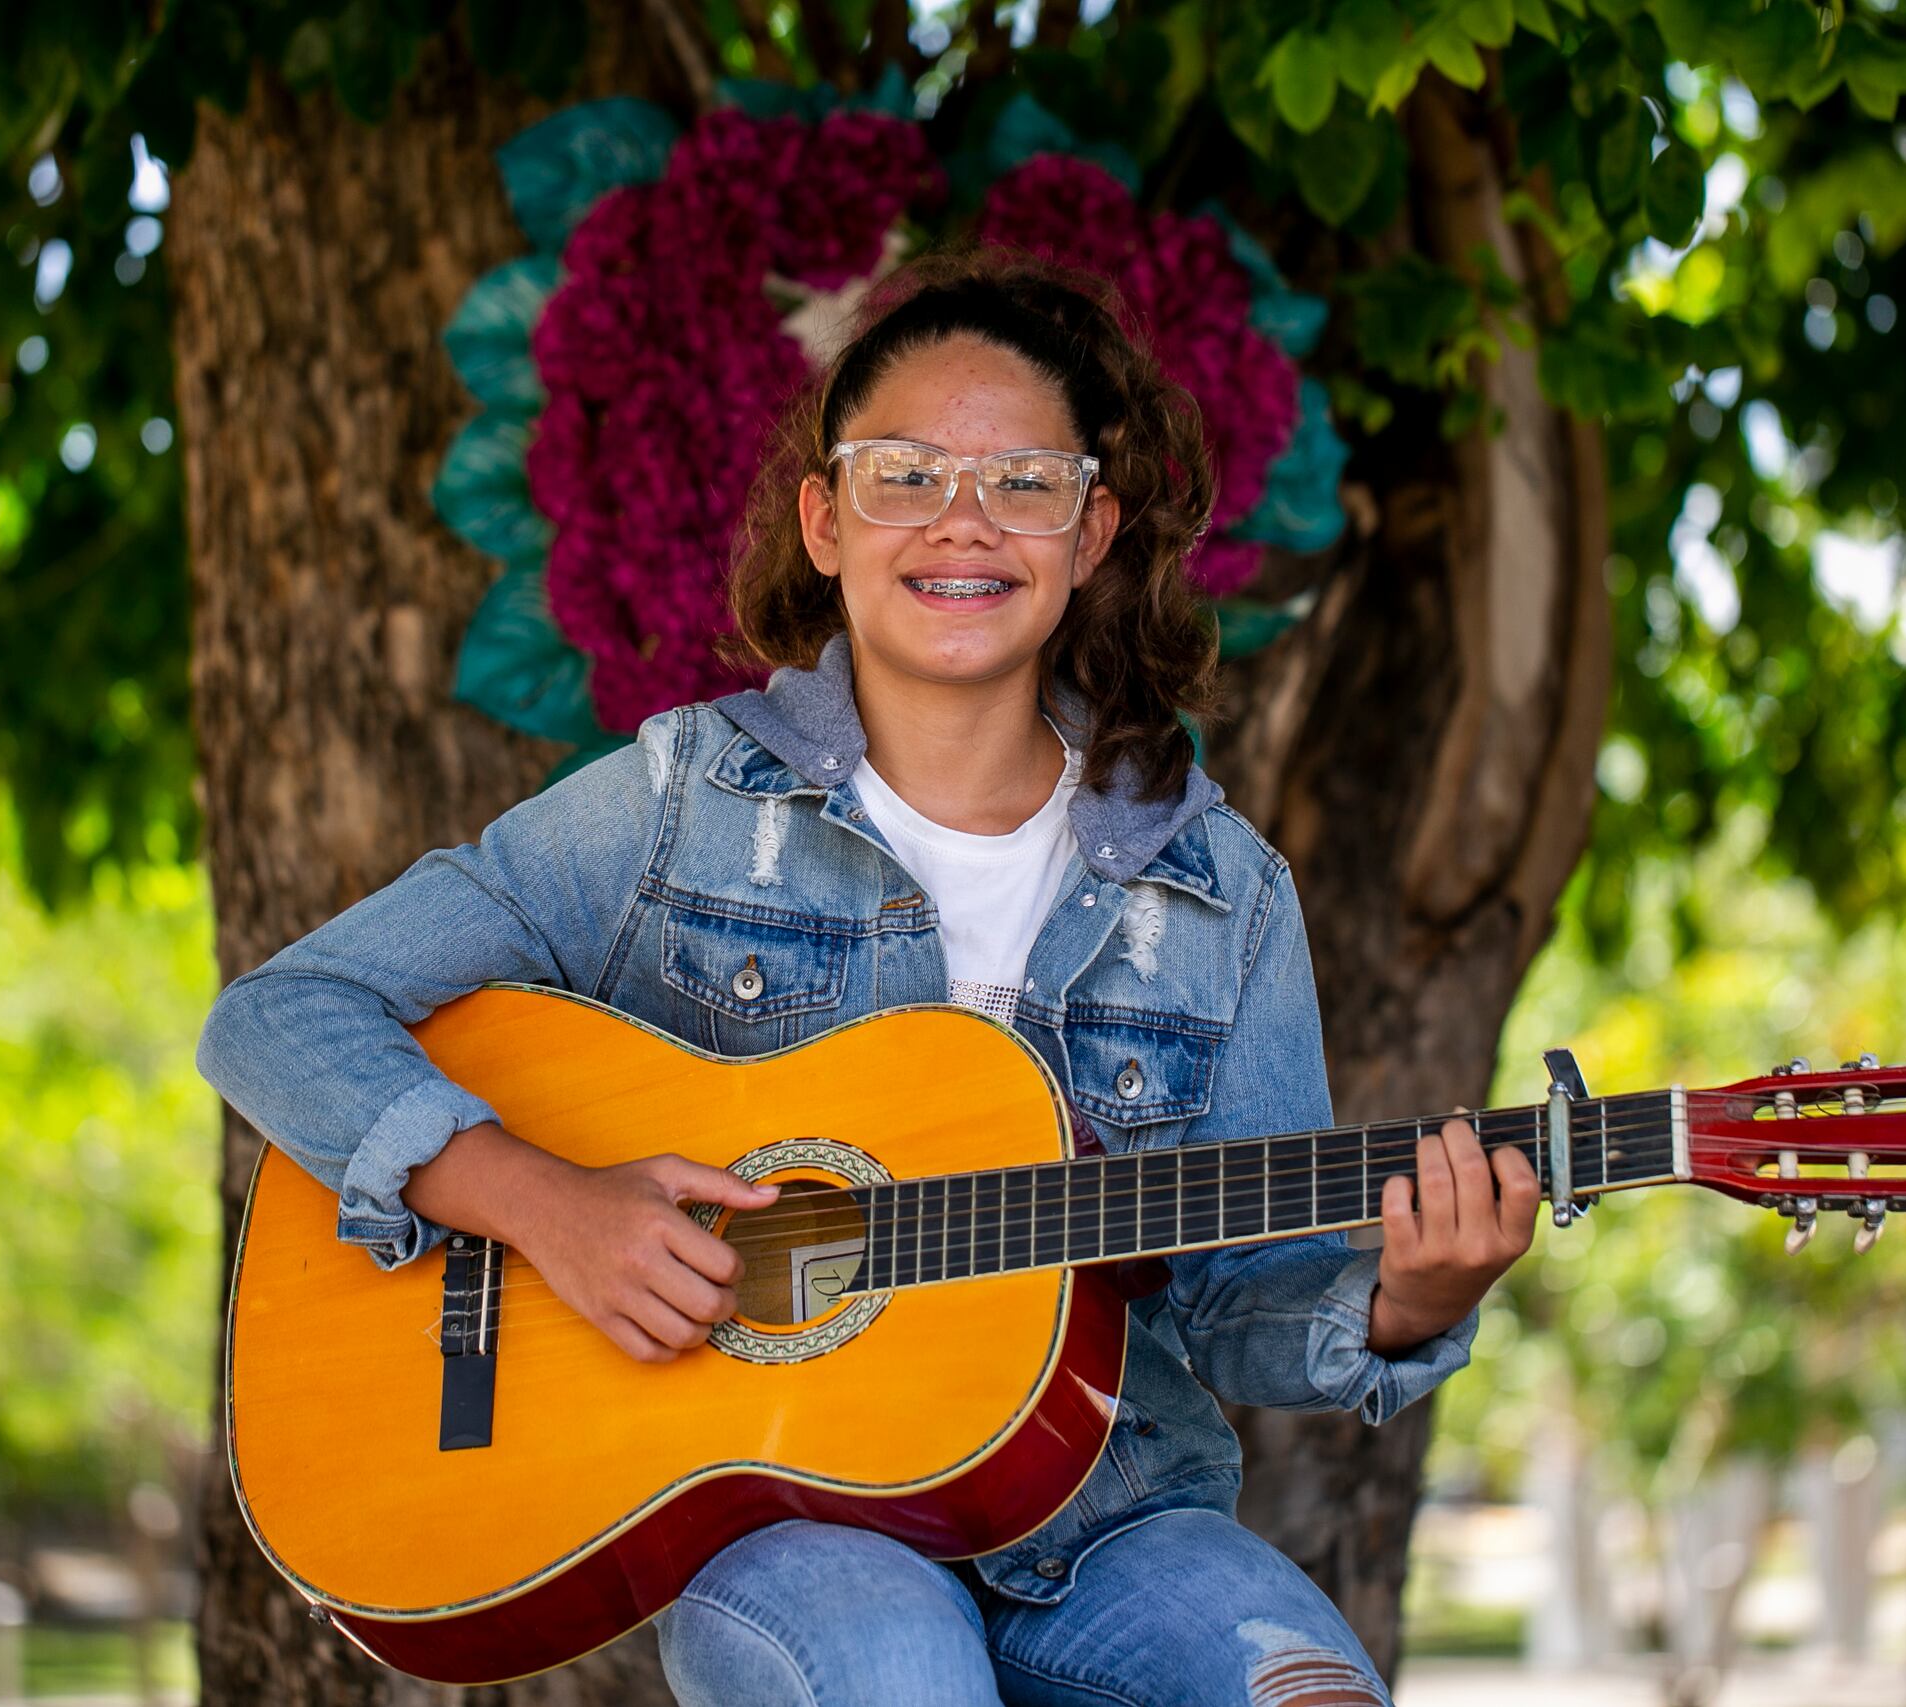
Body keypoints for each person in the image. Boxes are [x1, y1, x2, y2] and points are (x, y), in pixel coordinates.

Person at [196, 245, 1540, 1706]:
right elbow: (280, 1019)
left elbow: (1235, 1304)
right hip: (792, 1529)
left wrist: (1407, 1302)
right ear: (825, 520)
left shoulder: (1219, 893)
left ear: (1091, 533)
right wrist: (545, 1205)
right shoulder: (681, 802)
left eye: (1024, 483)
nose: (964, 523)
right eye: (904, 473)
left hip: (1111, 1522)